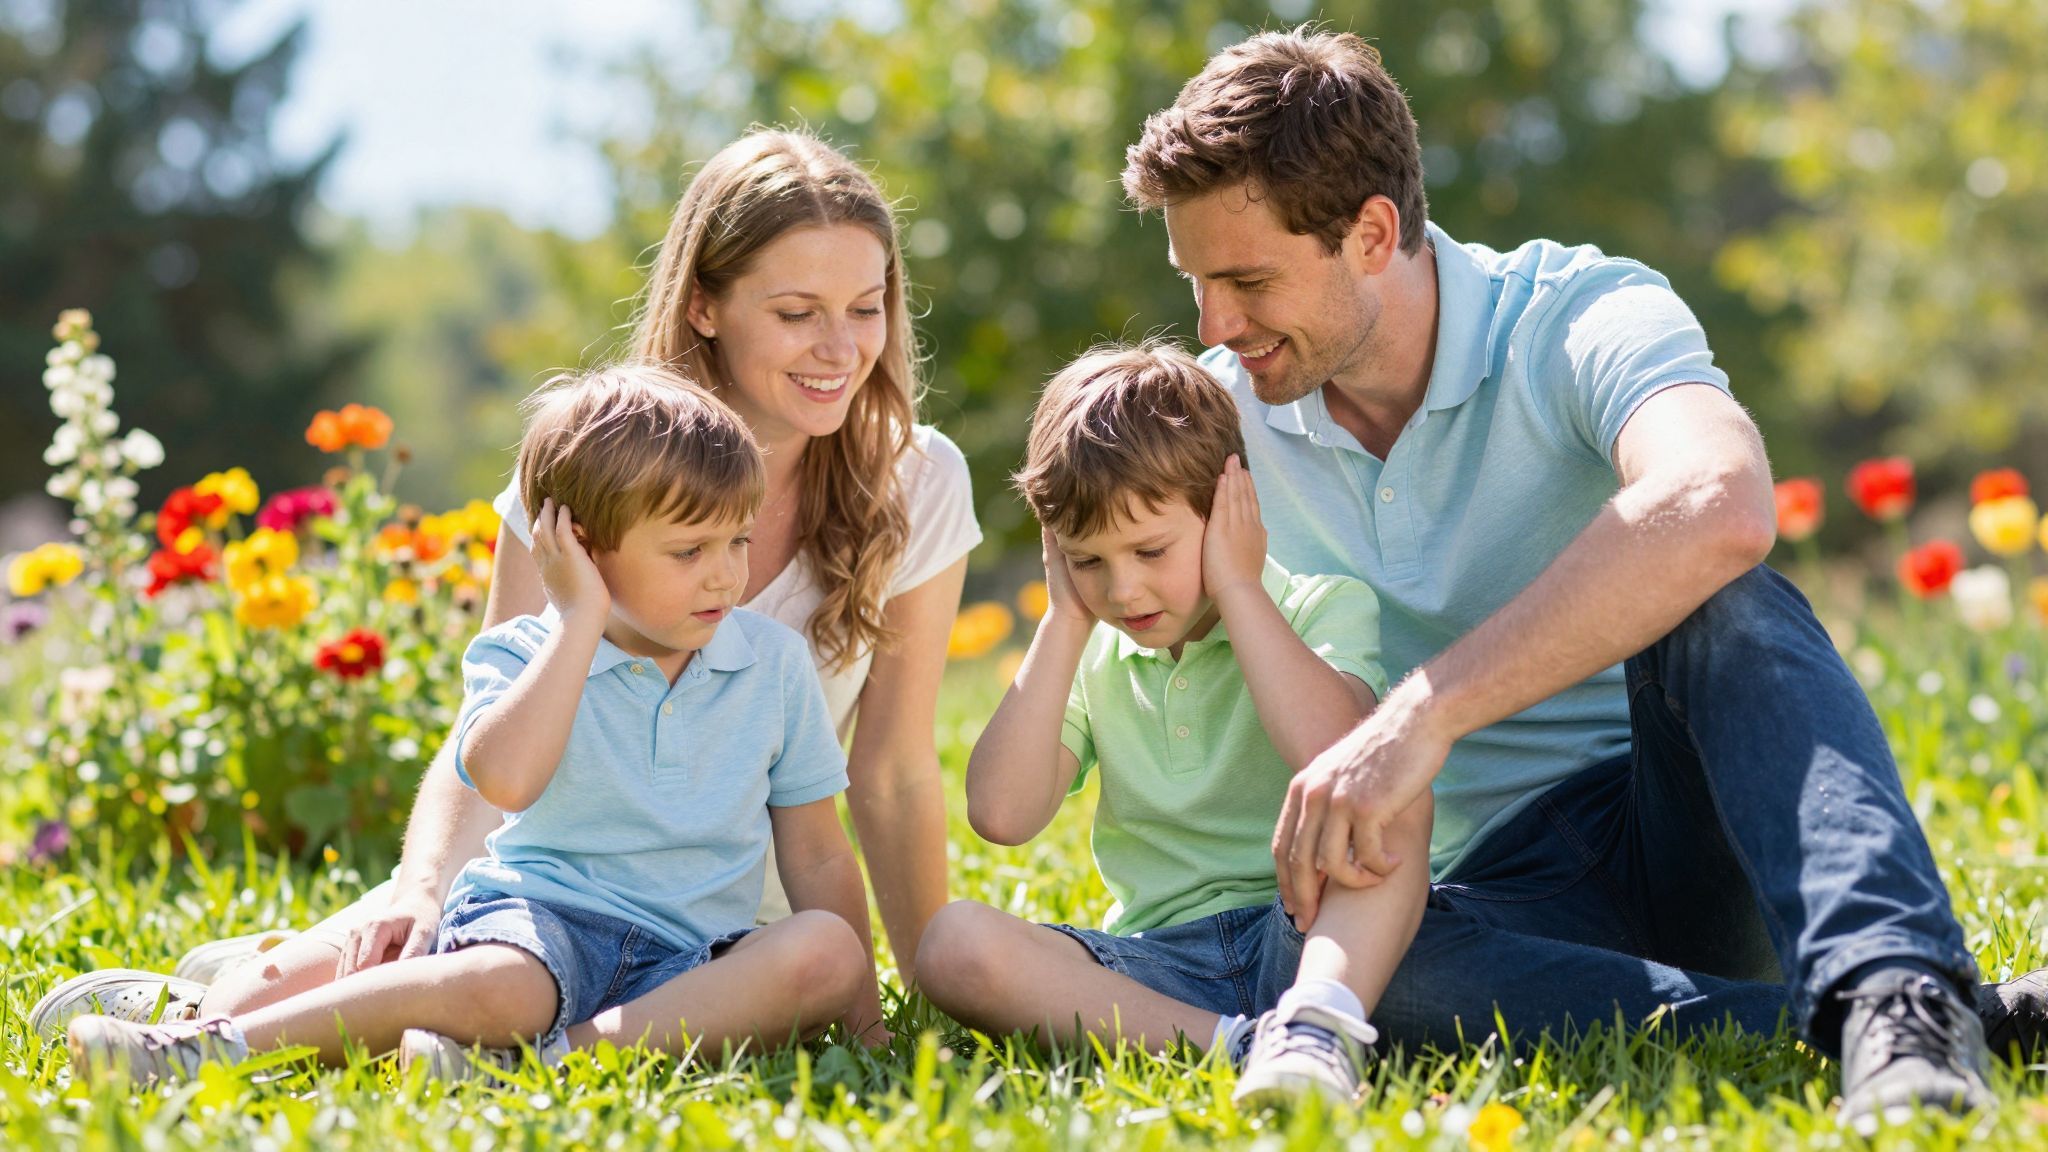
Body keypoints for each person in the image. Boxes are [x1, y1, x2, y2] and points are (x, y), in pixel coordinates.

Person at [1118, 26, 2047, 1129]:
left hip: (1685, 814)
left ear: (1370, 233)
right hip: (1493, 896)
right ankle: (1917, 1024)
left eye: (1246, 280)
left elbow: (1720, 497)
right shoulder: (1226, 418)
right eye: (1195, 285)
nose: (1214, 328)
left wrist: (1424, 711)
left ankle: (1896, 996)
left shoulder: (1569, 314)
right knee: (1336, 972)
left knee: (1726, 604)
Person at [30, 129, 979, 1047]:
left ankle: (418, 1019)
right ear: (703, 305)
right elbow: (497, 724)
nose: (841, 347)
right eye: (795, 312)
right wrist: (420, 890)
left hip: (731, 920)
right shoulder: (587, 475)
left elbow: (891, 774)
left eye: (867, 307)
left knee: (455, 1001)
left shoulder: (918, 480)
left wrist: (914, 990)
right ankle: (207, 1015)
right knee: (301, 981)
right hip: (548, 890)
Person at [67, 366, 882, 1085]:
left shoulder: (771, 664)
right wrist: (576, 621)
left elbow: (815, 850)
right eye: (688, 551)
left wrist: (867, 1022)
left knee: (827, 952)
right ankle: (208, 1042)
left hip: (696, 956)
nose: (726, 574)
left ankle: (539, 1060)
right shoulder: (527, 651)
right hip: (541, 927)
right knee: (501, 988)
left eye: (736, 540)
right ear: (581, 549)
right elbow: (504, 780)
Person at [915, 344, 1432, 1105]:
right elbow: (1001, 815)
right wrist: (1064, 619)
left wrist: (1237, 585)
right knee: (953, 943)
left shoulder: (1318, 606)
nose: (1124, 588)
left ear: (1231, 506)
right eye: (1088, 560)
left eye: (1150, 549)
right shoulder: (1092, 650)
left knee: (1393, 790)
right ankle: (1245, 1047)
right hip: (1159, 964)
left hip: (1315, 933)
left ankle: (1317, 1022)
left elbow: (1335, 754)